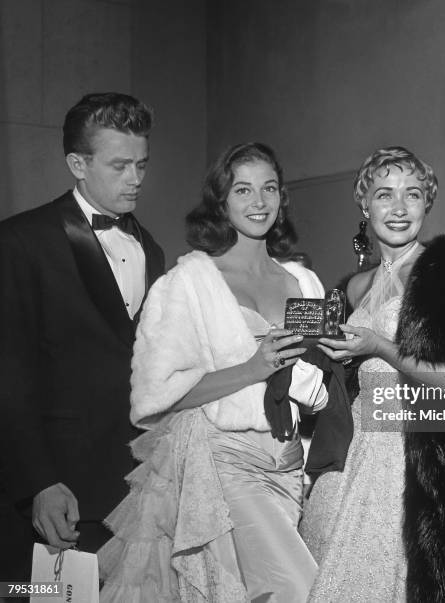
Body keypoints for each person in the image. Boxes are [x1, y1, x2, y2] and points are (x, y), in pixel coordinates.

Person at [98, 142, 329, 602]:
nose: (258, 202)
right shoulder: (188, 284)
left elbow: (313, 379)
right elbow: (155, 399)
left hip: (289, 467)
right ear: (221, 201)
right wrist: (251, 368)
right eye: (243, 190)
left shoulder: (304, 282)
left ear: (283, 198)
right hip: (224, 464)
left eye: (269, 189)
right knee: (304, 589)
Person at [300, 147, 445, 601]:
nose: (398, 209)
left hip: (420, 457)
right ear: (364, 204)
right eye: (384, 195)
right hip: (354, 454)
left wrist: (378, 347)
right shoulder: (353, 285)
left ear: (427, 203)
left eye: (412, 195)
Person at [0, 92, 165, 580]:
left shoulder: (149, 246)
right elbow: (9, 374)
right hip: (56, 493)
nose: (135, 179)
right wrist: (38, 483)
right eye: (119, 166)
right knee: (40, 598)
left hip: (134, 489)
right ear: (78, 163)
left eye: (141, 164)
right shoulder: (20, 242)